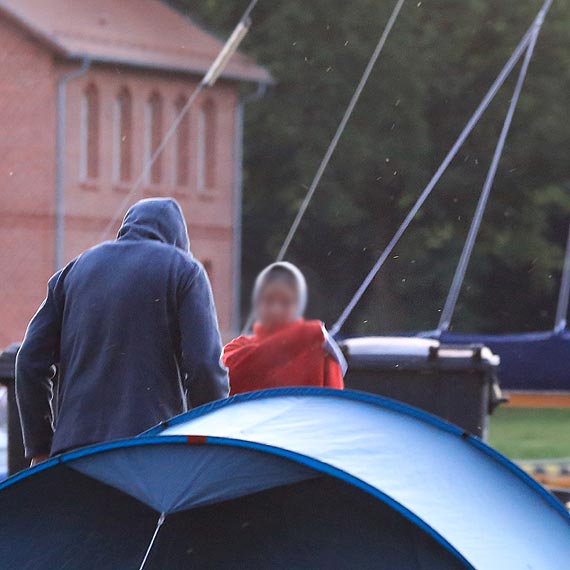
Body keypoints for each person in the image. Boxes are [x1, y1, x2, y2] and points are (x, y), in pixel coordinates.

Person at [16, 198, 229, 465]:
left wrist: (40, 446)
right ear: (179, 241)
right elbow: (204, 366)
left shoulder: (72, 273)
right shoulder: (184, 270)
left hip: (74, 455)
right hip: (149, 449)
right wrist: (208, 437)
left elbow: (28, 361)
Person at [223, 262, 346, 394]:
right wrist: (303, 335)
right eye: (269, 300)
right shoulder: (238, 347)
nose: (276, 309)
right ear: (258, 304)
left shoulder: (319, 348)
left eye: (285, 302)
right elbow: (227, 376)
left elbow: (335, 406)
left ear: (298, 306)